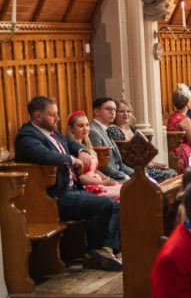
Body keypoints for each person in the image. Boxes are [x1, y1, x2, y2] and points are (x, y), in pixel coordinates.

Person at [14, 96, 121, 271]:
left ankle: (106, 249)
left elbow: (71, 143)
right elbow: (45, 155)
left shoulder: (53, 133)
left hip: (71, 190)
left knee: (114, 203)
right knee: (104, 205)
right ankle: (93, 253)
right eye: (52, 115)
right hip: (53, 197)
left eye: (57, 114)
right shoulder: (27, 136)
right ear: (37, 116)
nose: (57, 118)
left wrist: (82, 151)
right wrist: (71, 159)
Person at [107, 99, 178, 183]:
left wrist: (155, 163)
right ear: (116, 113)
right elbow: (127, 156)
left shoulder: (132, 128)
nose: (126, 114)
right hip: (130, 167)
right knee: (169, 174)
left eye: (128, 111)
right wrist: (152, 164)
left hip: (142, 164)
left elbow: (145, 151)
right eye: (122, 111)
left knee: (172, 172)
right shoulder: (113, 129)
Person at [67, 112, 122, 200]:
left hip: (98, 182)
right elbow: (79, 178)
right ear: (71, 128)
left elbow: (93, 170)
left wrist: (105, 178)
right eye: (81, 126)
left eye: (87, 125)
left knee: (127, 189)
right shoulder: (73, 150)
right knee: (122, 194)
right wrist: (102, 182)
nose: (85, 129)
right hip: (87, 187)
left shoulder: (86, 147)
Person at [89, 97, 133, 181]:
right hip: (108, 178)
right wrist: (125, 177)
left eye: (114, 109)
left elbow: (120, 164)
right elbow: (101, 166)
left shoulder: (106, 129)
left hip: (118, 174)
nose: (112, 112)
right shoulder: (93, 131)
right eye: (108, 109)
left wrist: (135, 173)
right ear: (96, 111)